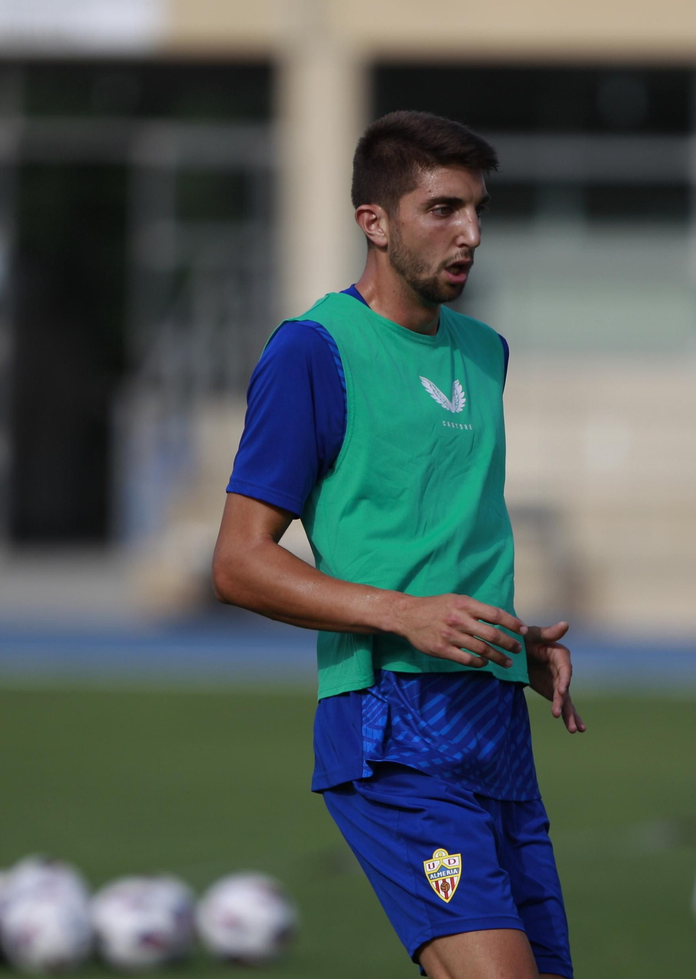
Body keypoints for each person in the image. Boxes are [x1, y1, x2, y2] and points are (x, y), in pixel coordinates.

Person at [211, 110, 585, 979]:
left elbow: (435, 540)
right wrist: (405, 616)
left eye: (478, 211)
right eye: (444, 209)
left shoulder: (485, 354)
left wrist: (503, 645)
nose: (472, 234)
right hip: (391, 722)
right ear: (372, 223)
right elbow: (237, 562)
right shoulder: (314, 352)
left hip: (492, 722)